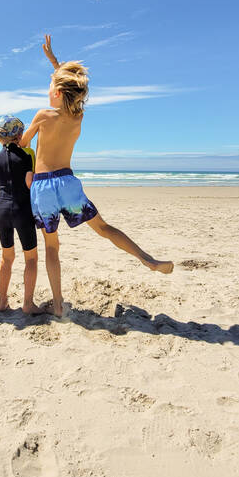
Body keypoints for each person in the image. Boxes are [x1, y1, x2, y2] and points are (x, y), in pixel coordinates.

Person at [20, 35, 173, 317]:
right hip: (67, 182)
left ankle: (57, 305)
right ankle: (147, 259)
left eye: (51, 83)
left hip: (42, 187)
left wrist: (23, 140)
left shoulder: (42, 115)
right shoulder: (77, 118)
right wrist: (56, 63)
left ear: (56, 91)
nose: (48, 86)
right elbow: (71, 88)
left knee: (52, 247)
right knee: (103, 228)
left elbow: (23, 144)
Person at [0, 115, 43, 314]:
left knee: (6, 258)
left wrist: (2, 205)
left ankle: (2, 301)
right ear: (20, 135)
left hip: (2, 211)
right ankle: (27, 304)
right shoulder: (28, 155)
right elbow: (28, 183)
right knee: (31, 259)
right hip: (22, 209)